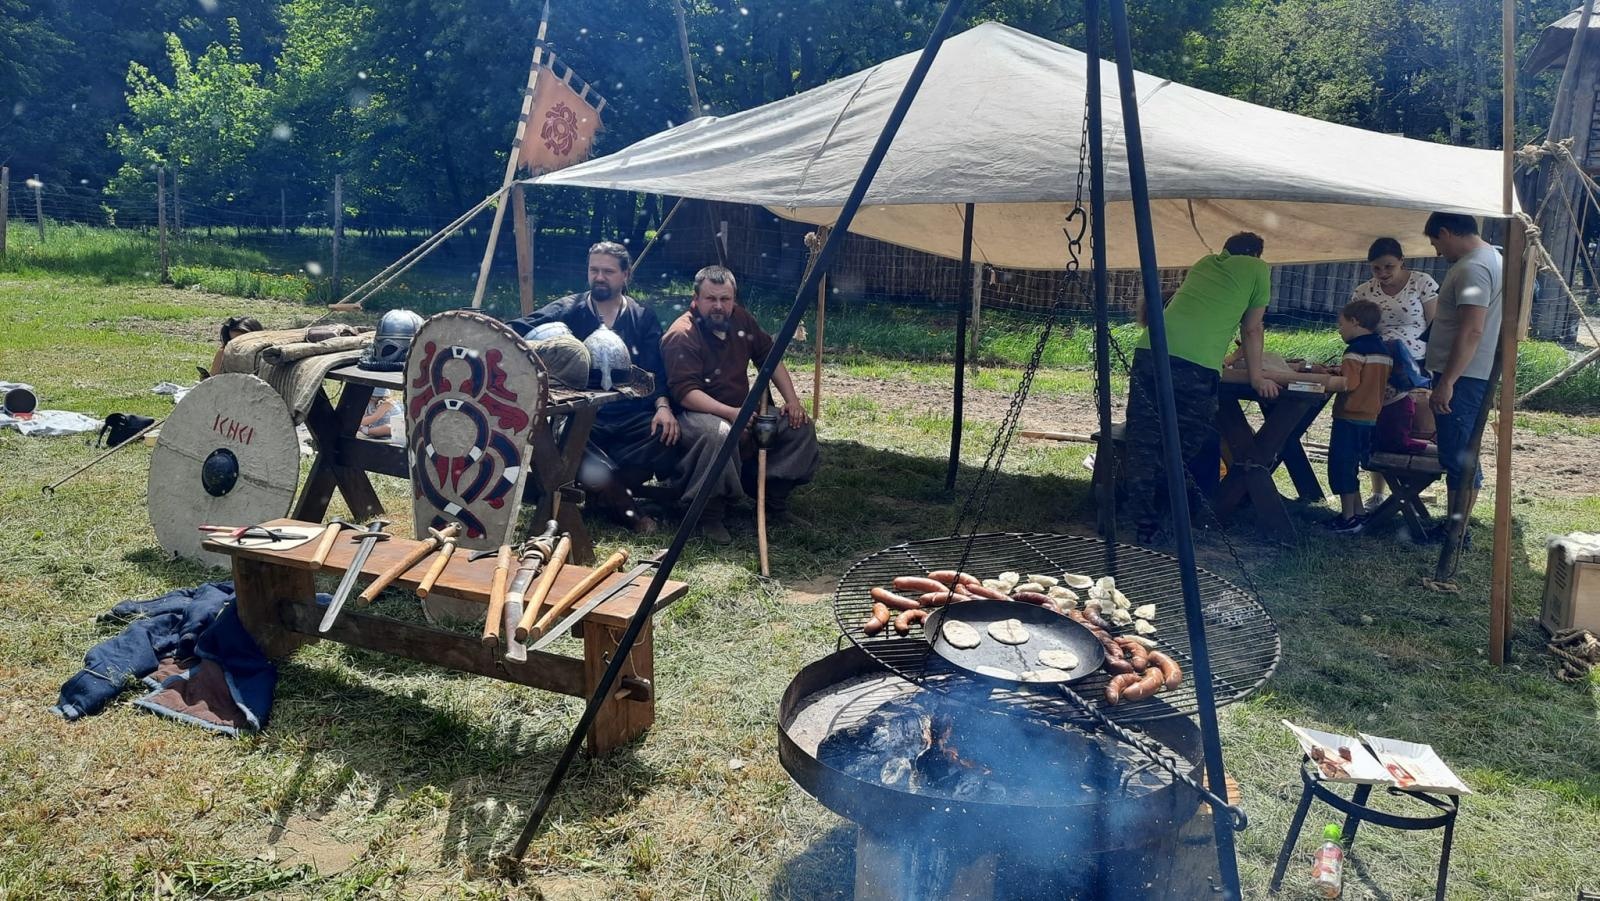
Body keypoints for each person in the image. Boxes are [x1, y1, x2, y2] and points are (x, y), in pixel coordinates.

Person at [507, 241, 678, 533]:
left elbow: (657, 371)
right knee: (570, 445)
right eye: (594, 270)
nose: (599, 277)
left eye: (608, 271)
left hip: (630, 416)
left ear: (626, 275)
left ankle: (603, 494)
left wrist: (663, 408)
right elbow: (515, 331)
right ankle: (630, 514)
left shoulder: (642, 317)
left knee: (665, 436)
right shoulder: (568, 310)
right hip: (582, 416)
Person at [1123, 232, 1279, 544]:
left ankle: (1141, 519)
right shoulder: (1258, 270)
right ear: (1258, 255)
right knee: (1185, 442)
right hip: (1194, 364)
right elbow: (1252, 327)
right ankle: (1170, 518)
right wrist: (1257, 377)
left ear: (1224, 250)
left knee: (1144, 437)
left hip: (1150, 352)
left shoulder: (1206, 263)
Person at [661, 265, 820, 544]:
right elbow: (686, 393)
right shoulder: (682, 335)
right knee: (720, 434)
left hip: (741, 411)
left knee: (798, 427)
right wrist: (732, 414)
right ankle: (709, 513)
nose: (719, 306)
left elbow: (769, 358)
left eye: (726, 299)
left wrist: (792, 402)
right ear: (695, 300)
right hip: (694, 414)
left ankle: (773, 501)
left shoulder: (741, 320)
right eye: (711, 299)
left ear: (734, 299)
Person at [1422, 212, 1503, 547]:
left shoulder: (1474, 267)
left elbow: (1472, 329)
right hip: (1466, 374)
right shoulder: (1491, 257)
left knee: (1459, 456)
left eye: (1436, 243)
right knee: (1458, 451)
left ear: (1446, 232)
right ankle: (1455, 526)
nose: (1438, 252)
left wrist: (1448, 381)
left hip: (1465, 376)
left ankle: (1457, 531)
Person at [1349, 237, 1438, 511]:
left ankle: (1410, 488)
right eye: (1376, 268)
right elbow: (1356, 329)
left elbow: (1435, 324)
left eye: (1389, 266)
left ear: (1402, 262)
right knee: (1381, 424)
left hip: (1417, 364)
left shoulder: (1422, 282)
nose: (1383, 274)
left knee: (1416, 423)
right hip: (1379, 367)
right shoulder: (1364, 291)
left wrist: (1434, 367)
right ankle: (1378, 492)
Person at [1325, 300, 1392, 533]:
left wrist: (1328, 380)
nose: (1340, 329)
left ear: (1355, 322)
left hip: (1349, 414)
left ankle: (1347, 517)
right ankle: (1358, 513)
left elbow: (1350, 383)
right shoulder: (1382, 349)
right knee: (1352, 463)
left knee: (1341, 464)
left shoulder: (1354, 350)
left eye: (1341, 324)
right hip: (1371, 415)